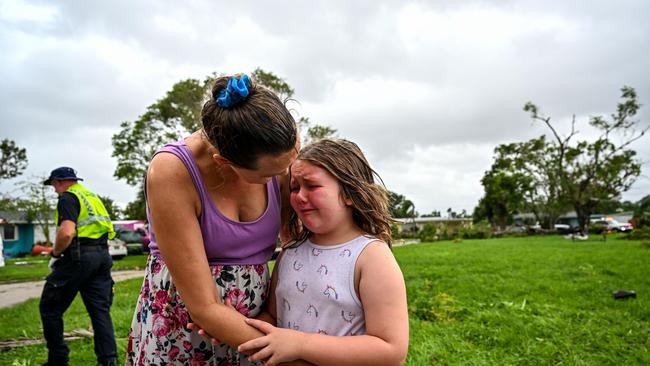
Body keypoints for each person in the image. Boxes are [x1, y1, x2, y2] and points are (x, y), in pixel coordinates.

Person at [126, 74, 301, 365]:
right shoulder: (172, 171)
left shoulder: (277, 153)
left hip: (261, 328)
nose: (283, 176)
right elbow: (205, 308)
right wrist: (298, 359)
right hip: (189, 332)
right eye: (268, 175)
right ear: (224, 162)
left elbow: (296, 252)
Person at [238, 139, 409, 365]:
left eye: (312, 186)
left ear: (349, 193)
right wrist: (231, 325)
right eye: (295, 187)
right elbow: (273, 316)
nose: (299, 196)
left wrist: (300, 344)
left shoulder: (371, 256)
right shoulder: (290, 253)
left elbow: (390, 348)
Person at [40, 166, 118, 366]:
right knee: (100, 311)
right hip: (102, 256)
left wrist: (56, 254)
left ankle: (57, 360)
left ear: (58, 181)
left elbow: (67, 232)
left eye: (53, 186)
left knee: (50, 308)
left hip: (79, 256)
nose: (54, 190)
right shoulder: (92, 197)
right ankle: (108, 361)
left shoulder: (67, 197)